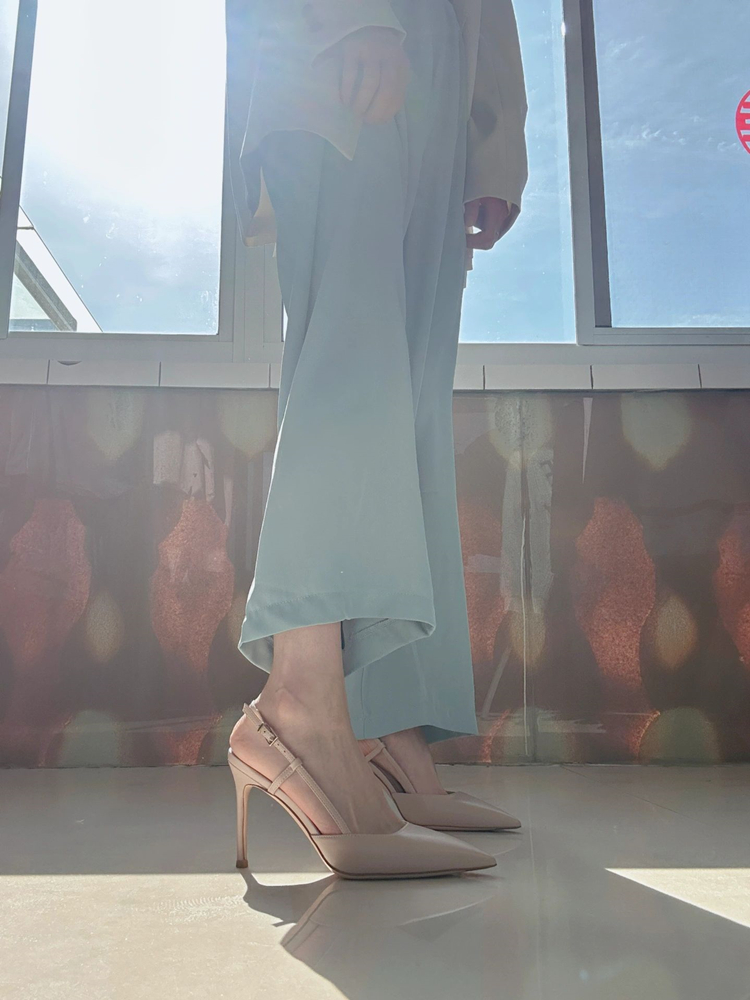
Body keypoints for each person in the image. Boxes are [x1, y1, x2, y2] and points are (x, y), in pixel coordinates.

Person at [224, 0, 529, 879]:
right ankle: (301, 702)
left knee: (411, 406)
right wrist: (353, 14)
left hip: (444, 67)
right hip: (341, 39)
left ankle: (387, 732)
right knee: (349, 357)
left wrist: (491, 139)